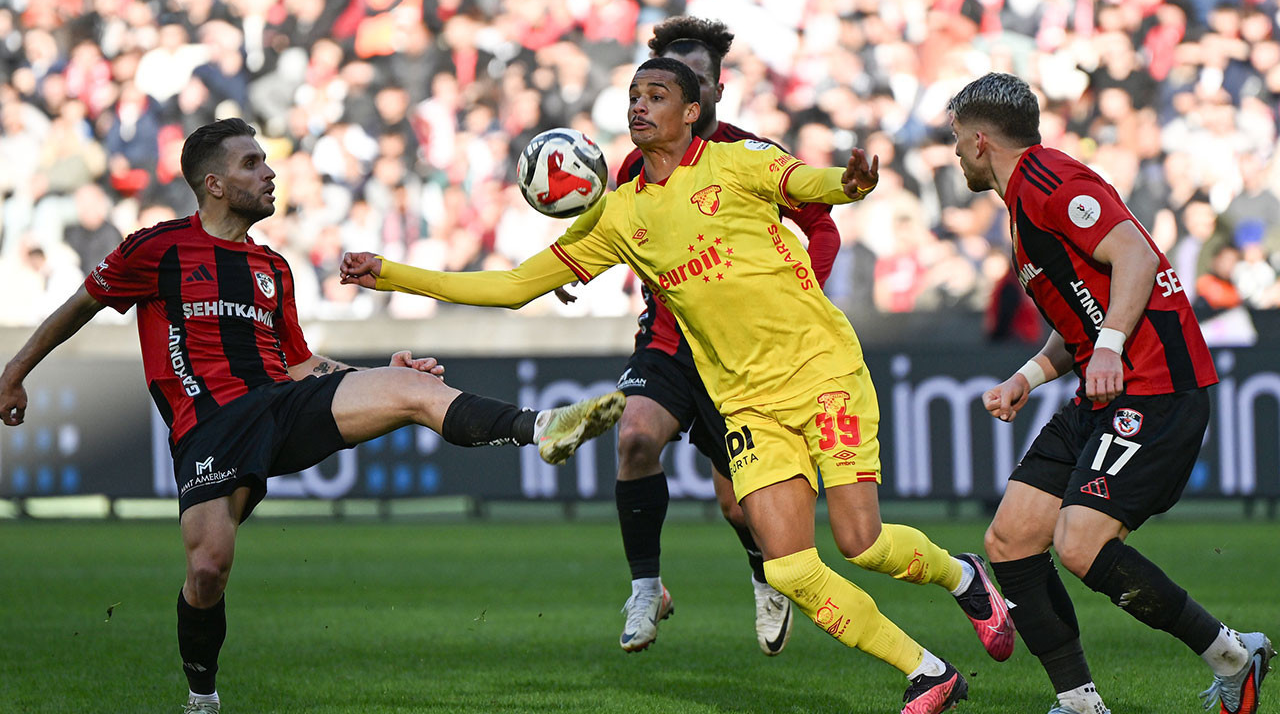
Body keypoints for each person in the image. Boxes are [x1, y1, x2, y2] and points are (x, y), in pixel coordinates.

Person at [343, 58, 1014, 714]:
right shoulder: (619, 213)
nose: (640, 106)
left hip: (820, 371)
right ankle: (927, 673)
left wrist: (852, 181)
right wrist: (393, 275)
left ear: (692, 112)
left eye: (657, 95)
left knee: (860, 544)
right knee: (786, 569)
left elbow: (817, 185)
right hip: (746, 401)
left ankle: (962, 576)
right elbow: (513, 286)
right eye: (634, 95)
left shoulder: (740, 163)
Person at [0, 118, 626, 714]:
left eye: (266, 161)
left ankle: (542, 427)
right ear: (213, 184)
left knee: (412, 389)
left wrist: (379, 375)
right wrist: (14, 372)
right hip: (211, 425)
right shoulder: (158, 248)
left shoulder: (273, 268)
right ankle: (202, 696)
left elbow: (298, 364)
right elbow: (78, 306)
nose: (269, 173)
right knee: (208, 568)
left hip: (282, 404)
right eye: (252, 163)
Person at [949, 72, 1273, 714]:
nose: (954, 153)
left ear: (981, 140)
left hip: (1156, 387)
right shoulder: (1022, 203)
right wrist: (1029, 376)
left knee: (1079, 542)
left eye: (957, 140)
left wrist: (1111, 344)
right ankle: (1079, 703)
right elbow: (1082, 321)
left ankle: (1235, 655)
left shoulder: (1050, 183)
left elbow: (1135, 255)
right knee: (1010, 540)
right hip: (1108, 390)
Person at [556, 15, 841, 656]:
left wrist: (807, 288)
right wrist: (568, 264)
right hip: (666, 338)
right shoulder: (637, 160)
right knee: (634, 437)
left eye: (702, 81)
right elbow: (605, 220)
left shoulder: (748, 156)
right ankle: (645, 587)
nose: (692, 90)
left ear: (713, 89)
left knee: (739, 505)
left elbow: (822, 225)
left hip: (740, 352)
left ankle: (765, 572)